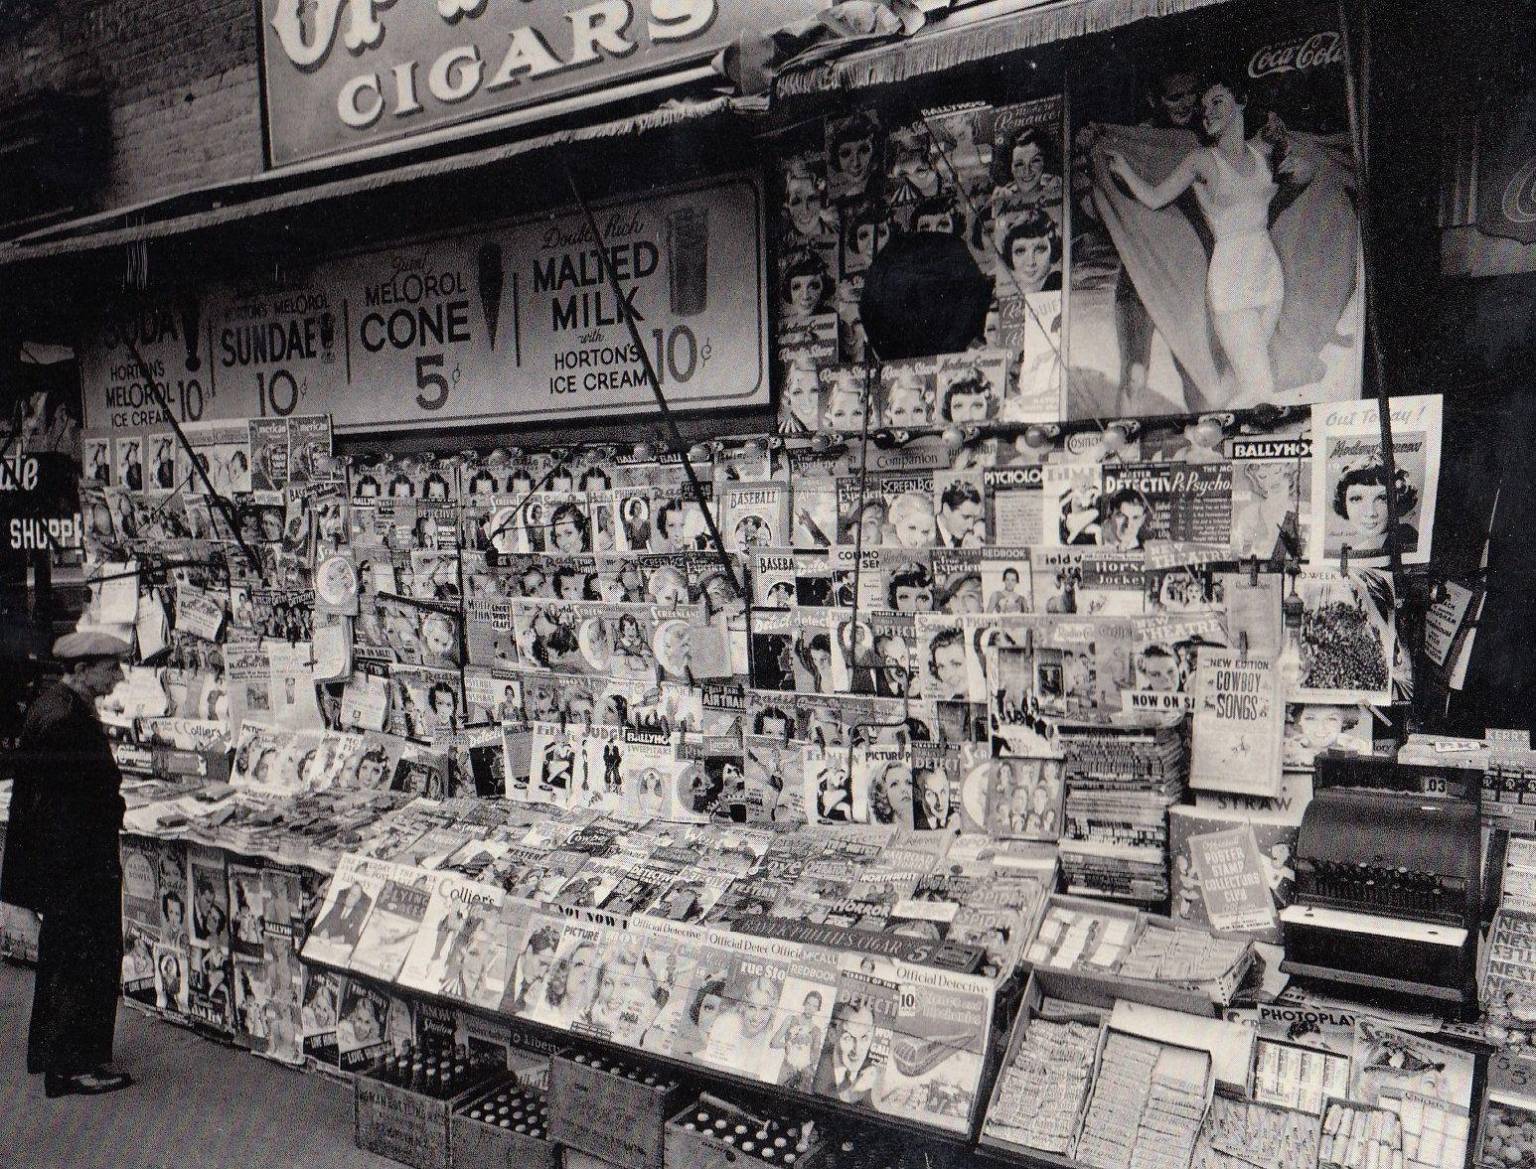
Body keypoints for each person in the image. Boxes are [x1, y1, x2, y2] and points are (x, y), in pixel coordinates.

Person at [1, 632, 135, 1097]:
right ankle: (73, 1067)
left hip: (67, 864)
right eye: (110, 668)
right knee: (85, 961)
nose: (118, 676)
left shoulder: (56, 705)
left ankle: (57, 1056)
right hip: (77, 865)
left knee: (67, 960)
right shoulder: (66, 720)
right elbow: (70, 803)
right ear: (82, 670)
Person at [1105, 74, 1294, 405]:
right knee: (1260, 385)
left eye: (1217, 102)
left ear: (1241, 102)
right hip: (1232, 280)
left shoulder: (1261, 152)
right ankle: (1213, 430)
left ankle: (1208, 425)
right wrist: (1123, 169)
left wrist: (1282, 135)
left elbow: (1296, 164)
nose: (1208, 112)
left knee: (1238, 380)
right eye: (1204, 108)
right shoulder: (1201, 160)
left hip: (1269, 276)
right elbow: (1154, 198)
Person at [1331, 461, 1418, 558]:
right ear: (1344, 503)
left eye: (1382, 498)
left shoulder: (1408, 540)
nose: (1370, 512)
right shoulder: (1364, 548)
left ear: (1399, 501)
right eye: (1356, 499)